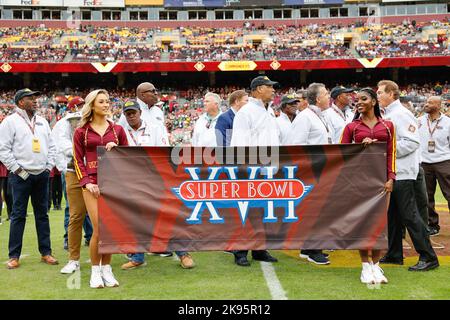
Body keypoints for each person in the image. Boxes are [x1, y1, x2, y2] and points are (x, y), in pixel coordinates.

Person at [119, 100, 195, 270]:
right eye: (127, 114)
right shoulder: (120, 131)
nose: (131, 116)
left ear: (140, 112)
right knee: (137, 218)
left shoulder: (154, 127)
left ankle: (183, 253)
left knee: (167, 215)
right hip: (133, 180)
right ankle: (138, 256)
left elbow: (164, 152)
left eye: (133, 112)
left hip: (155, 177)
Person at [377, 80, 439, 271]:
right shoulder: (390, 114)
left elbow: (411, 142)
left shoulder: (401, 114)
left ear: (391, 94)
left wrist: (385, 153)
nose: (377, 95)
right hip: (396, 173)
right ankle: (395, 253)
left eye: (380, 92)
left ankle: (428, 256)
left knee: (410, 215)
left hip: (404, 172)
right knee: (393, 216)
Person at [340, 88, 396, 284]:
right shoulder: (351, 127)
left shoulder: (388, 125)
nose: (359, 102)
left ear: (374, 101)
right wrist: (358, 147)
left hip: (382, 181)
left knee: (380, 224)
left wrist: (391, 178)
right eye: (357, 100)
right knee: (364, 224)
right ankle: (365, 266)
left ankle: (376, 266)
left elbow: (392, 153)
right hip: (359, 181)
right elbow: (341, 155)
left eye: (363, 99)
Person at [73, 89, 128, 288]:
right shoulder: (81, 131)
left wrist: (117, 149)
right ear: (92, 106)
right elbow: (77, 160)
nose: (106, 105)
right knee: (99, 228)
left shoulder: (118, 130)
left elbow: (129, 156)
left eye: (107, 102)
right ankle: (96, 271)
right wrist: (87, 182)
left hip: (112, 183)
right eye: (101, 102)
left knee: (110, 228)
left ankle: (107, 269)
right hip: (91, 184)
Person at [0, 88, 58, 269]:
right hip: (20, 176)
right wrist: (17, 170)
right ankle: (14, 255)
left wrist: (48, 168)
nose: (35, 101)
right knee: (18, 215)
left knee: (43, 215)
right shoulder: (10, 122)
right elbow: (3, 149)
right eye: (30, 98)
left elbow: (52, 146)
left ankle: (46, 253)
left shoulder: (42, 121)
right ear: (19, 102)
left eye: (35, 98)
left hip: (41, 174)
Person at [229, 75, 280, 266]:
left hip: (267, 168)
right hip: (251, 170)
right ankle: (240, 250)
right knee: (247, 211)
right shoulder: (246, 112)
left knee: (263, 211)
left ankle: (259, 248)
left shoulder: (267, 111)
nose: (273, 90)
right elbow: (239, 144)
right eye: (270, 87)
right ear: (259, 89)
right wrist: (245, 170)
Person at [288, 83, 332, 265]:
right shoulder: (305, 117)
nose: (328, 96)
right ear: (317, 98)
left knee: (318, 210)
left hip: (322, 168)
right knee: (315, 211)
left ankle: (309, 248)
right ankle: (314, 249)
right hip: (311, 171)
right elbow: (296, 146)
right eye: (325, 94)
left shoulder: (318, 116)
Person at [53, 97, 94, 274]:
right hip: (74, 171)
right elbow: (61, 147)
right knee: (76, 214)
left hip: (95, 171)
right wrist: (66, 169)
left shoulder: (95, 120)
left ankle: (101, 259)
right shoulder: (65, 123)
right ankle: (73, 258)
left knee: (99, 214)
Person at [418, 96, 450, 237]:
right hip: (424, 162)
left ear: (438, 105)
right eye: (427, 101)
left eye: (430, 102)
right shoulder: (418, 121)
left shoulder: (448, 123)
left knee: (449, 193)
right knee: (426, 196)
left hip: (444, 161)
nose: (427, 104)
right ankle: (432, 224)